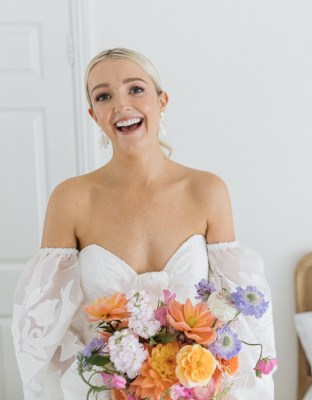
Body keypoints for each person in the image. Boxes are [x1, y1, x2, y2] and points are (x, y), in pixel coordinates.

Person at [11, 48, 276, 400]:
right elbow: (46, 336)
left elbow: (238, 320)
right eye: (104, 96)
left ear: (162, 101)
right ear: (94, 115)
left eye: (135, 89)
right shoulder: (71, 199)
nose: (121, 104)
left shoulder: (207, 191)